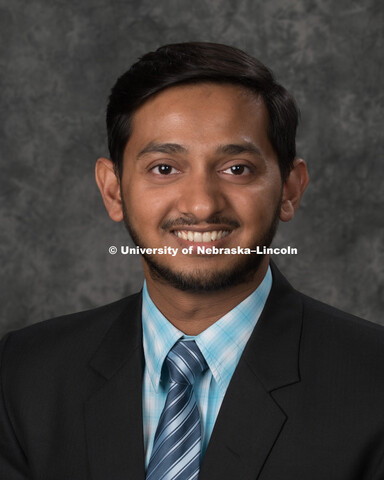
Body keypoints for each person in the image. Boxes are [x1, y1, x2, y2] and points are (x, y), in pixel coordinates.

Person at [1, 42, 383, 480]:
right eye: (164, 168)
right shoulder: (21, 376)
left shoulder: (373, 382)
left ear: (290, 189)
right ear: (113, 191)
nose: (201, 206)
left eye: (236, 168)